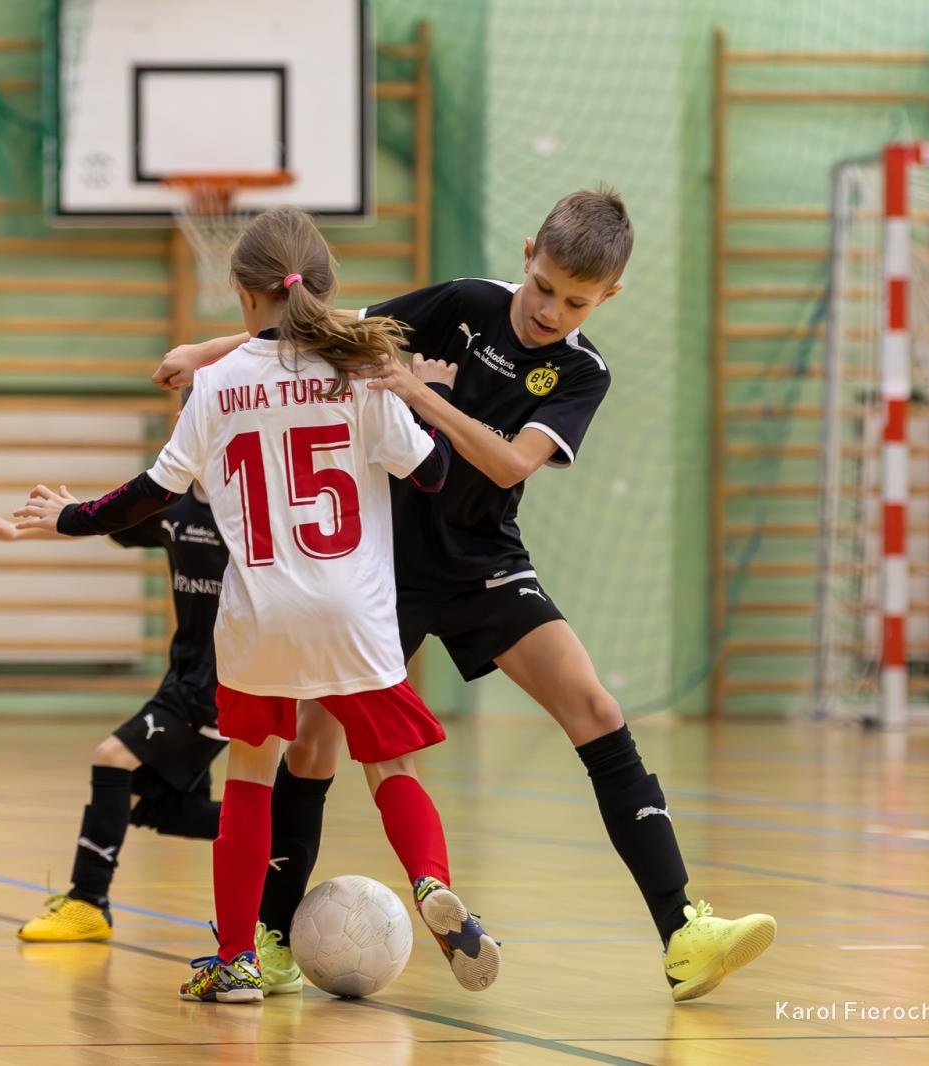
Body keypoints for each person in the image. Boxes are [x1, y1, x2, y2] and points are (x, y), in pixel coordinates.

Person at [151, 187, 776, 1004]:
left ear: (608, 298)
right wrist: (210, 349)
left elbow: (512, 464)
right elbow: (319, 325)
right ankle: (269, 941)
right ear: (528, 254)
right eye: (545, 285)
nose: (550, 309)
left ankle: (683, 930)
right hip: (378, 568)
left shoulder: (582, 372)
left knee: (595, 709)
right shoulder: (465, 303)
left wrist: (419, 395)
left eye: (575, 301)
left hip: (482, 562)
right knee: (311, 748)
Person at [14, 207, 499, 1004]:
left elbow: (149, 496)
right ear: (322, 288)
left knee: (250, 778)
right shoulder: (362, 372)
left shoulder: (216, 383)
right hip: (355, 612)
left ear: (242, 296)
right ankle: (431, 885)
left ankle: (237, 959)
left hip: (261, 620)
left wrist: (69, 518)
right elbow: (436, 476)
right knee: (390, 767)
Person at [0, 486, 228, 942]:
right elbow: (102, 520)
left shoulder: (248, 511)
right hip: (182, 676)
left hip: (221, 684)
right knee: (165, 809)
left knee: (112, 757)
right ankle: (282, 830)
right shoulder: (173, 505)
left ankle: (88, 902)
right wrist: (16, 533)